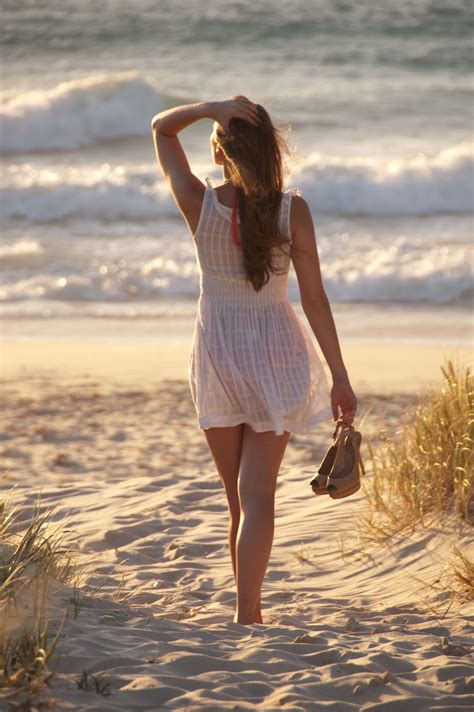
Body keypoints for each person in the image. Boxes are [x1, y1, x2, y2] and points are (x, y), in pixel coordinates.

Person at [151, 95, 357, 625]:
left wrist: (212, 107)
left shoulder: (200, 203)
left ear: (221, 155)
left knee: (237, 497)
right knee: (258, 491)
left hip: (218, 356)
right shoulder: (294, 210)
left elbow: (161, 129)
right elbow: (314, 299)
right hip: (278, 355)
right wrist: (339, 377)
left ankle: (248, 612)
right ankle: (249, 614)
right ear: (272, 152)